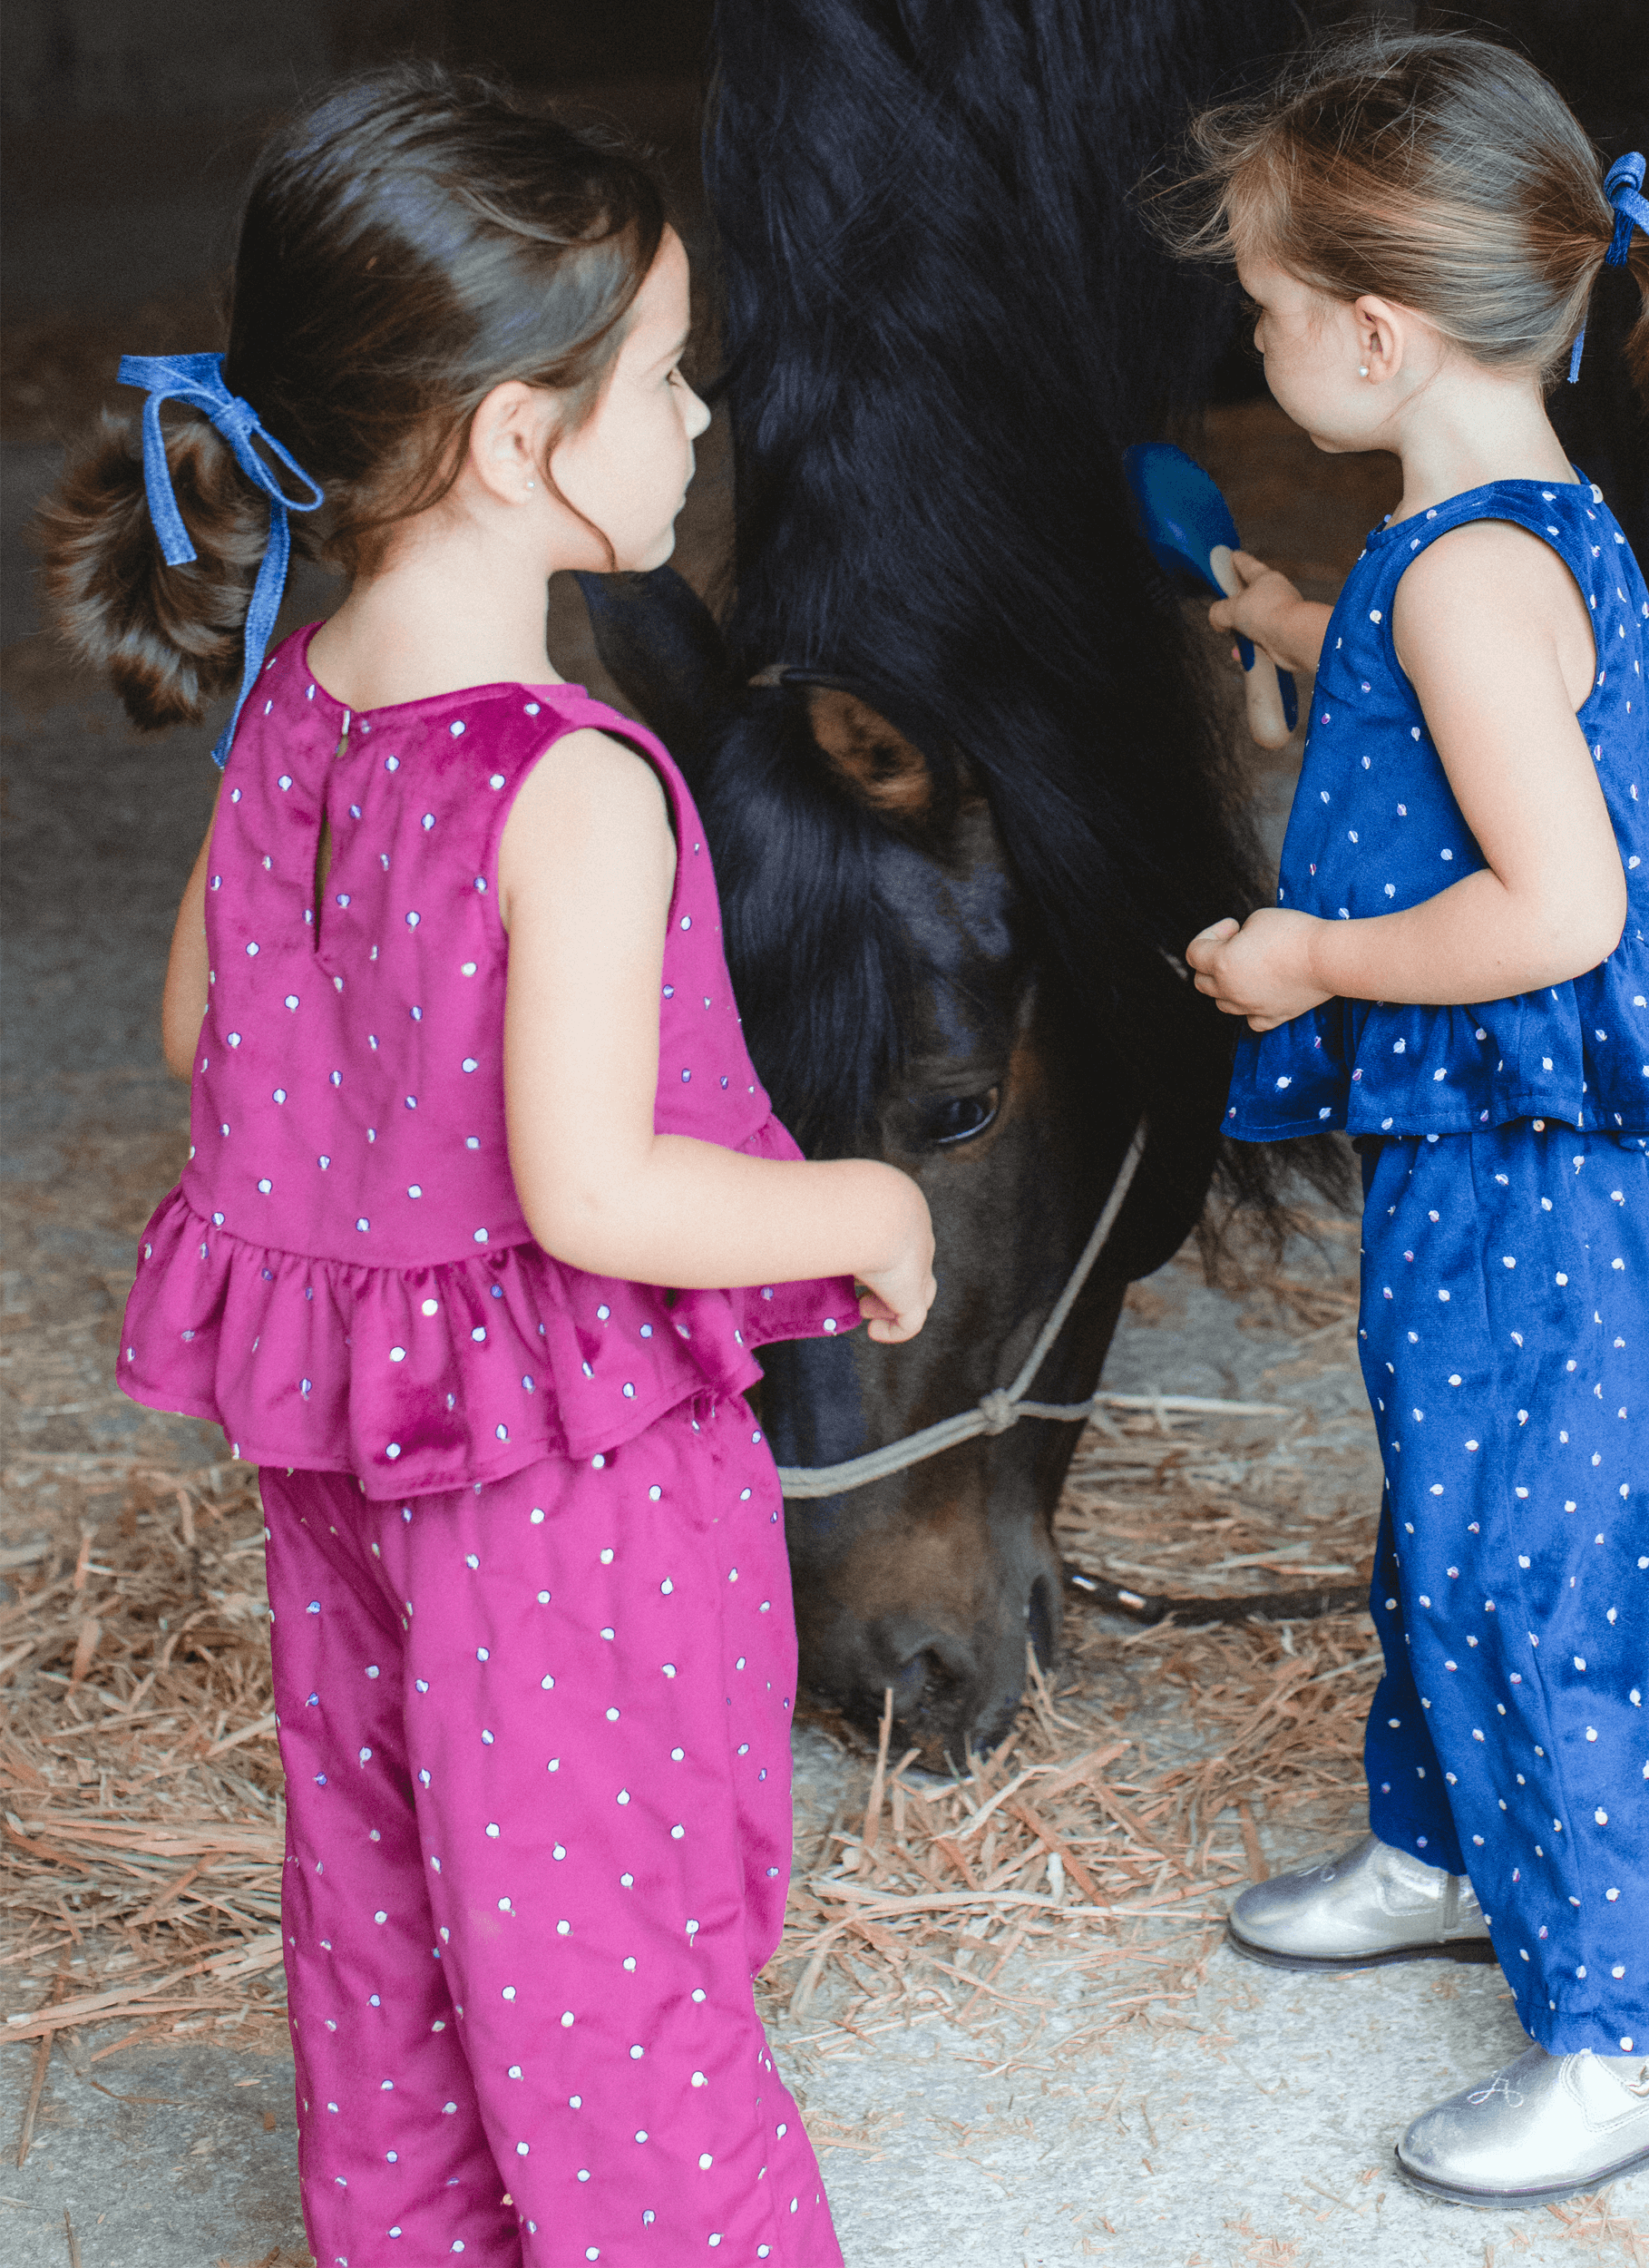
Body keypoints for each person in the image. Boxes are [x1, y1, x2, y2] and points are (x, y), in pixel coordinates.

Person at [41, 64, 936, 2267]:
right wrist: (866, 1208)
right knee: (617, 1968)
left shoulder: (303, 698)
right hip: (569, 1489)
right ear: (524, 443)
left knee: (394, 1919)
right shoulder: (573, 781)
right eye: (665, 378)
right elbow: (598, 1198)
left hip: (351, 1467)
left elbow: (196, 1023)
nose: (704, 422)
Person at [1167, 31, 1649, 2208]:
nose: (1261, 336)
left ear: (1375, 335)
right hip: (1492, 1156)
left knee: (1546, 1562)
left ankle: (1643, 2026)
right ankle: (1450, 1844)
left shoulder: (1471, 578)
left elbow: (1555, 902)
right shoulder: (1476, 535)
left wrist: (1305, 958)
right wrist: (1316, 632)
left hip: (1526, 1163)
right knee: (1449, 1517)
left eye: (1271, 309)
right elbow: (1474, 716)